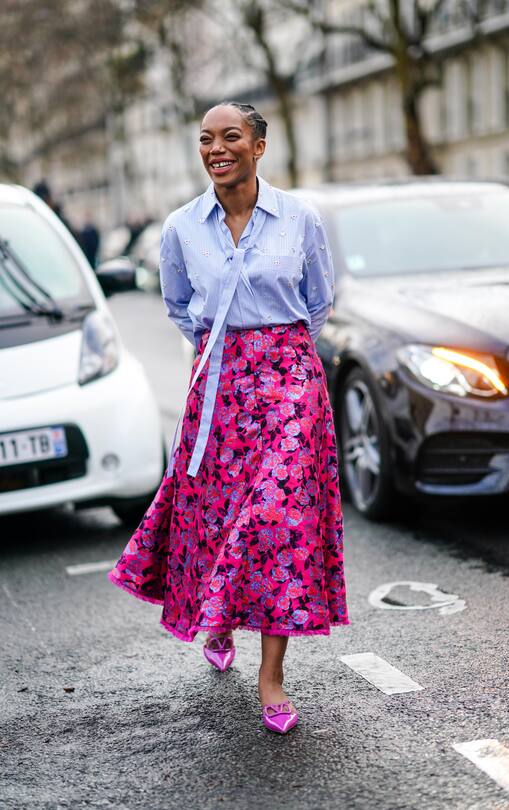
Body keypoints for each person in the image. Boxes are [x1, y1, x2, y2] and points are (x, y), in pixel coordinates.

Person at [108, 101, 349, 735]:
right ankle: (217, 615)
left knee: (276, 521)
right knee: (219, 514)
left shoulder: (300, 218)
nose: (217, 148)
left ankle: (271, 677)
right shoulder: (181, 227)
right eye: (206, 139)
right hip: (218, 382)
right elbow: (180, 305)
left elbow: (319, 301)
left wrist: (274, 349)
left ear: (258, 147)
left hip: (291, 381)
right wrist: (230, 349)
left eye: (231, 137)